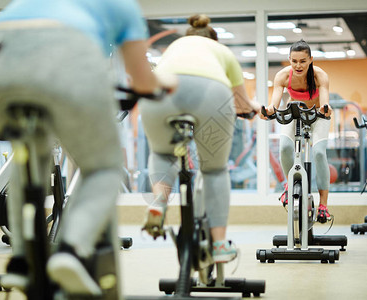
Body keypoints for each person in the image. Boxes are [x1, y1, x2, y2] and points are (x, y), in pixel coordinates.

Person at [0, 0, 176, 295]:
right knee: (103, 168)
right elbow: (143, 80)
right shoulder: (122, 5)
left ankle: (22, 261)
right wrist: (165, 83)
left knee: (28, 156)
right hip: (66, 64)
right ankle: (72, 251)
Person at [140, 14, 260, 263]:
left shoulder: (175, 47)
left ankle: (158, 204)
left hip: (161, 90)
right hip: (210, 93)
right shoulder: (221, 51)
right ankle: (218, 245)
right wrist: (253, 108)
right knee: (214, 170)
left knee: (162, 153)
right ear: (213, 39)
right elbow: (240, 102)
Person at [261, 39, 333, 223]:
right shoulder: (283, 76)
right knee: (285, 148)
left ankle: (323, 205)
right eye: (294, 61)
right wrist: (269, 111)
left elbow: (324, 102)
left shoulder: (320, 76)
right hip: (295, 113)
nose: (298, 65)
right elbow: (274, 103)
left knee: (318, 153)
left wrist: (326, 109)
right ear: (289, 60)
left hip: (317, 115)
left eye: (302, 61)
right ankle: (289, 185)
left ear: (310, 59)